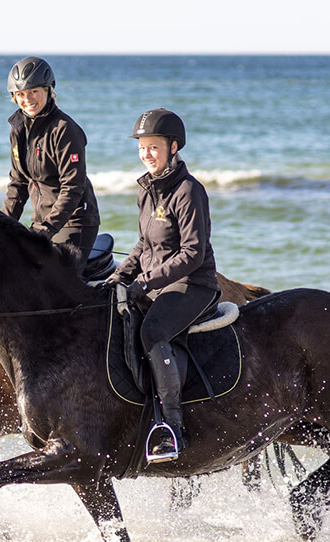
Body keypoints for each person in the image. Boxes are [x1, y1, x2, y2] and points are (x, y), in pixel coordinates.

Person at [105, 108, 221, 461]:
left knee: (153, 331)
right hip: (158, 285)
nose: (146, 154)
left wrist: (144, 283)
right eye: (142, 147)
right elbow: (143, 245)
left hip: (193, 285)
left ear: (173, 147)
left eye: (153, 147)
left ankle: (172, 428)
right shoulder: (148, 191)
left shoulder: (188, 191)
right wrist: (117, 278)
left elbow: (192, 253)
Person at [3, 56, 100, 262]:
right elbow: (18, 183)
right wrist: (1, 224)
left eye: (33, 92)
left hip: (74, 221)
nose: (27, 99)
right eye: (20, 94)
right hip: (41, 223)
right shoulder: (18, 129)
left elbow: (72, 187)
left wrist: (47, 229)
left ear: (48, 89)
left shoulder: (64, 129)